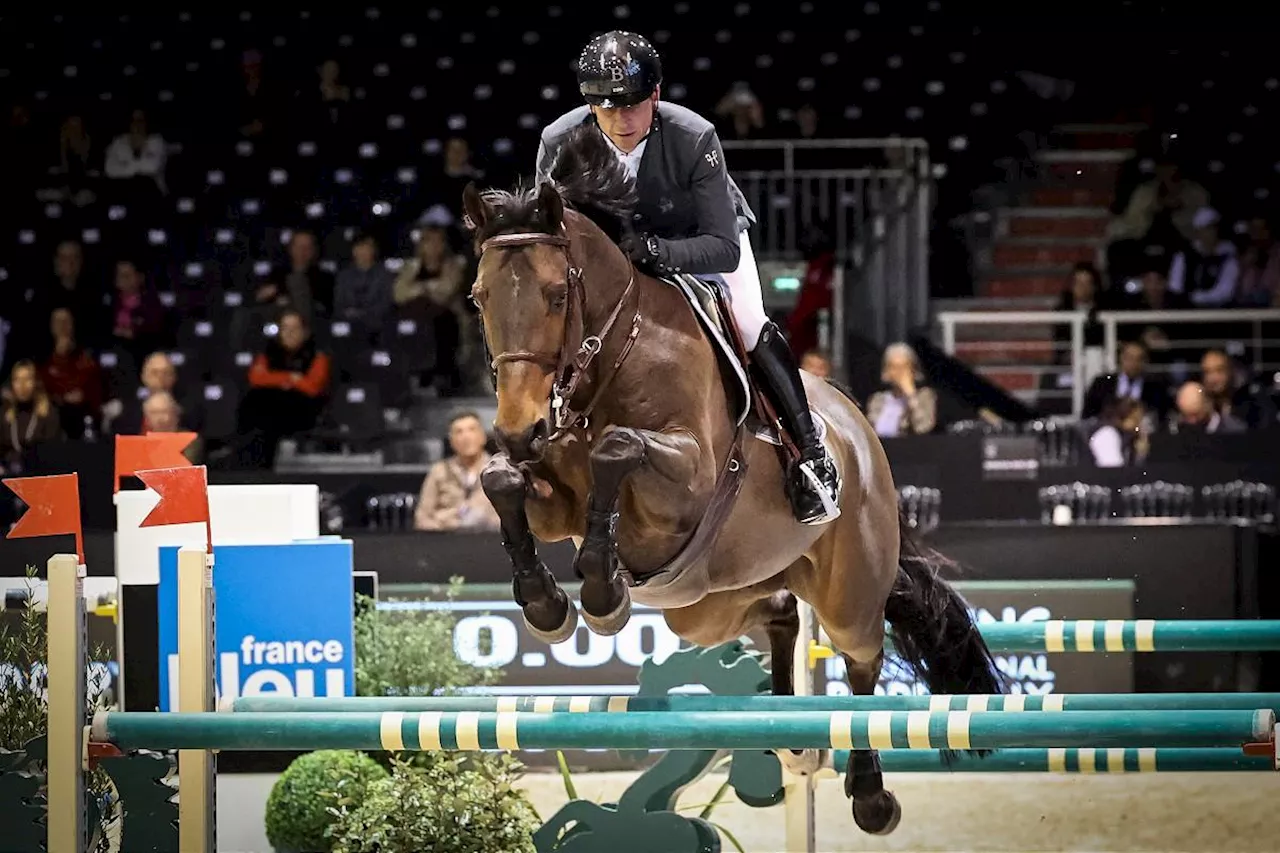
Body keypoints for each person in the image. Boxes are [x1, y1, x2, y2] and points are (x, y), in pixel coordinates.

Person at [533, 30, 840, 525]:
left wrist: (657, 251)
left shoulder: (694, 136)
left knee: (746, 320)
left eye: (632, 105)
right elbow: (551, 235)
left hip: (696, 240)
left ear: (655, 95)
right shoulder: (559, 141)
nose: (620, 120)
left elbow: (720, 243)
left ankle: (809, 455)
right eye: (606, 108)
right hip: (617, 257)